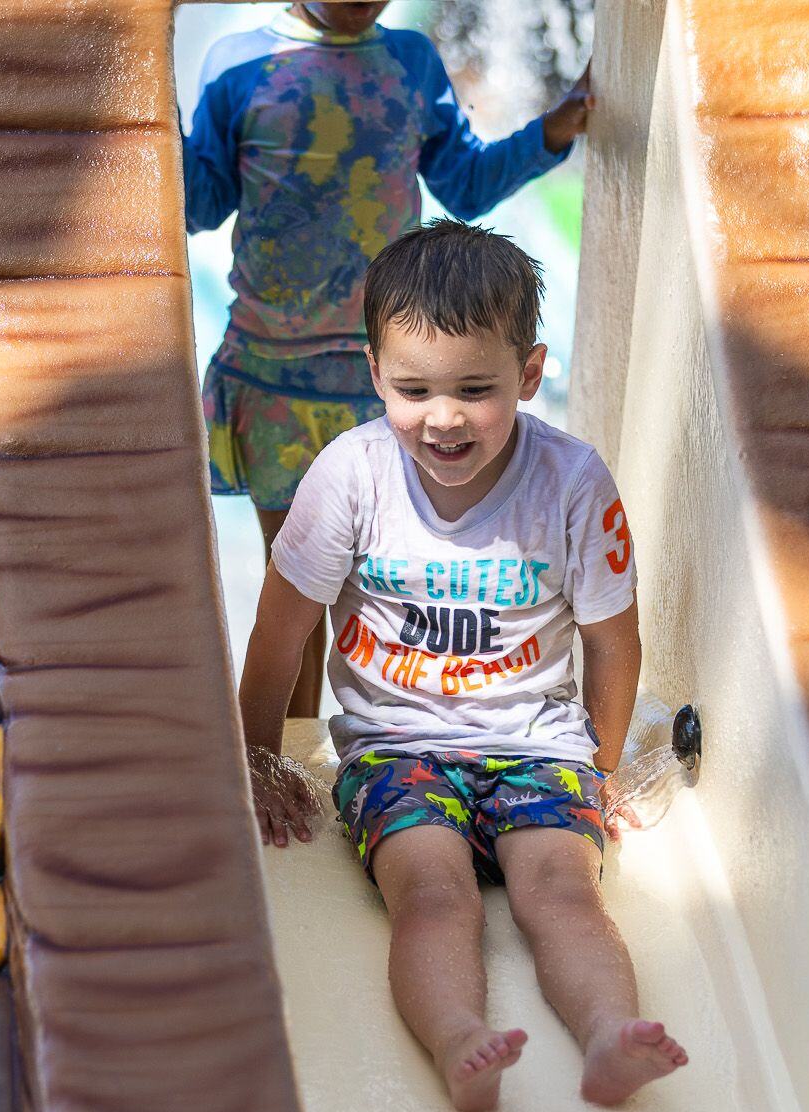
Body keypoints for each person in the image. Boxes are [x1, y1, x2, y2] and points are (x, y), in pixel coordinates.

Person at [239, 220, 687, 1112]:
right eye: (414, 390)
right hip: (398, 749)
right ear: (375, 372)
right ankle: (456, 1040)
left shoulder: (570, 481)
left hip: (538, 746)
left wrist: (596, 770)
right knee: (436, 897)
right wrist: (256, 760)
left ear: (528, 374)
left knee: (564, 893)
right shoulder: (351, 475)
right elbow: (281, 626)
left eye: (475, 390)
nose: (442, 418)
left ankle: (608, 1035)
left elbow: (612, 640)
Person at [184, 2, 593, 718]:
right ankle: (293, 763)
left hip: (392, 386)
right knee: (298, 595)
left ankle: (403, 753)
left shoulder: (410, 63)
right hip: (275, 377)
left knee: (389, 593)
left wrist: (552, 128)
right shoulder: (239, 66)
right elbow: (199, 202)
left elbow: (463, 184)